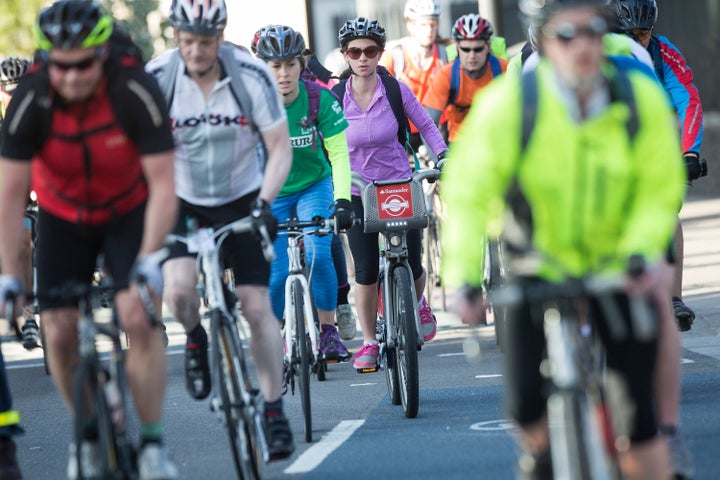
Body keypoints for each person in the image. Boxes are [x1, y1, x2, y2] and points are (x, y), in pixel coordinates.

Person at [442, 0, 685, 478]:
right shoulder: (511, 105)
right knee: (524, 405)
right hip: (534, 264)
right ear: (543, 41)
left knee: (638, 422)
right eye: (566, 36)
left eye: (593, 33)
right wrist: (463, 280)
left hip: (618, 264)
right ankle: (542, 455)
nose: (582, 46)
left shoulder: (636, 96)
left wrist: (641, 252)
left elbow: (659, 186)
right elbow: (468, 194)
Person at [0, 1, 179, 478]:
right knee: (56, 330)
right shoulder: (30, 99)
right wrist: (7, 277)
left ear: (101, 55)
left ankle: (154, 444)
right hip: (63, 215)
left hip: (129, 207)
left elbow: (164, 183)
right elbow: (10, 196)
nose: (72, 76)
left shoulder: (134, 88)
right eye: (60, 65)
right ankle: (85, 430)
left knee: (138, 318)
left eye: (82, 65)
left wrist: (148, 257)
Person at [145, 0, 295, 460]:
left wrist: (264, 205)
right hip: (182, 198)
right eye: (186, 40)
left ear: (222, 34)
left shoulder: (251, 75)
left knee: (255, 307)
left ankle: (273, 410)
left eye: (205, 41)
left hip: (242, 195)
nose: (195, 50)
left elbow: (279, 148)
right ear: (175, 36)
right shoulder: (158, 78)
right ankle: (195, 335)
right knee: (179, 292)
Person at [334, 17, 448, 372]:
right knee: (366, 271)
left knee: (413, 263)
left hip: (398, 184)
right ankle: (369, 341)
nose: (363, 57)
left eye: (370, 50)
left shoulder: (396, 91)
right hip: (356, 190)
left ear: (380, 53)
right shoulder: (335, 98)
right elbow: (329, 145)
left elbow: (426, 124)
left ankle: (418, 303)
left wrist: (443, 155)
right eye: (355, 51)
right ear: (346, 56)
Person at [253, 24, 354, 361]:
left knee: (319, 253)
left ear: (302, 65)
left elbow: (339, 153)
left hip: (314, 184)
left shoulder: (318, 98)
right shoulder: (252, 103)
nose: (283, 74)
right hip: (274, 193)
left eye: (290, 65)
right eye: (275, 66)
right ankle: (276, 333)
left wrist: (342, 200)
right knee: (277, 273)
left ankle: (328, 332)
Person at [608, 0, 705, 333]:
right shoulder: (598, 55)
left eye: (644, 33)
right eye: (628, 34)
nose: (638, 41)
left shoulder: (665, 53)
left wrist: (689, 153)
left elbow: (687, 100)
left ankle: (675, 298)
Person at [0, 56, 41, 352]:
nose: (13, 96)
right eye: (7, 90)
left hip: (41, 190)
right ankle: (26, 315)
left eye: (19, 89)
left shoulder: (43, 108)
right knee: (21, 240)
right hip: (12, 193)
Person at [422, 14, 508, 143]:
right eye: (466, 49)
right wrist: (440, 159)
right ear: (457, 48)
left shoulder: (505, 71)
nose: (472, 55)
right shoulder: (446, 75)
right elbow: (427, 126)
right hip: (459, 146)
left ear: (488, 47)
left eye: (478, 49)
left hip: (497, 144)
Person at [380, 0, 449, 151]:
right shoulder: (395, 56)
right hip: (405, 134)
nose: (429, 30)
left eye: (433, 24)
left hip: (438, 131)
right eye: (423, 25)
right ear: (410, 25)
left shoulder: (445, 54)